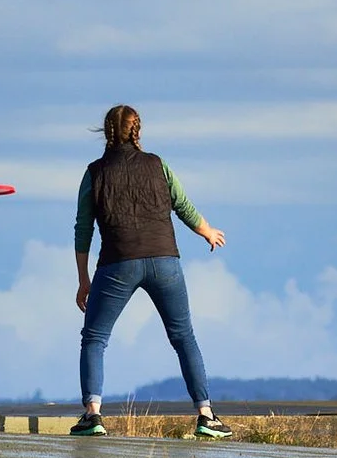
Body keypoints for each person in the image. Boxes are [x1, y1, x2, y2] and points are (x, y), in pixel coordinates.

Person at [71, 104, 231, 439]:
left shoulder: (94, 172)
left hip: (118, 262)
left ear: (106, 132)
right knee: (183, 337)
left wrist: (84, 280)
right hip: (164, 260)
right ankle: (206, 415)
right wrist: (207, 231)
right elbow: (182, 204)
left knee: (95, 338)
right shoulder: (158, 165)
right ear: (137, 130)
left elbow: (83, 228)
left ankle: (93, 416)